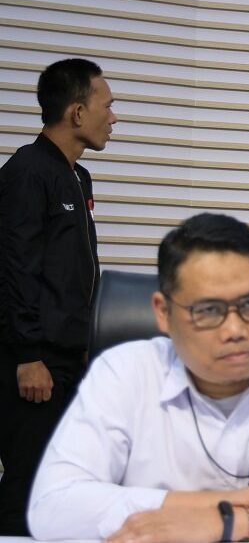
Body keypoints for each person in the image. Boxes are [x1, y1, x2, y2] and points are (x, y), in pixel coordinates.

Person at [26, 213, 249, 542]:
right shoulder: (124, 371)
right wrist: (220, 505)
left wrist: (231, 523)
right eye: (209, 310)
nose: (235, 330)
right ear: (163, 312)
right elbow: (53, 508)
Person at [0, 58, 115, 535]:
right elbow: (13, 268)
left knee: (59, 487)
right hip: (33, 364)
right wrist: (28, 356)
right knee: (26, 490)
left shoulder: (77, 177)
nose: (113, 117)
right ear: (76, 112)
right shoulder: (28, 172)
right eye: (107, 106)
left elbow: (75, 273)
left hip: (67, 361)